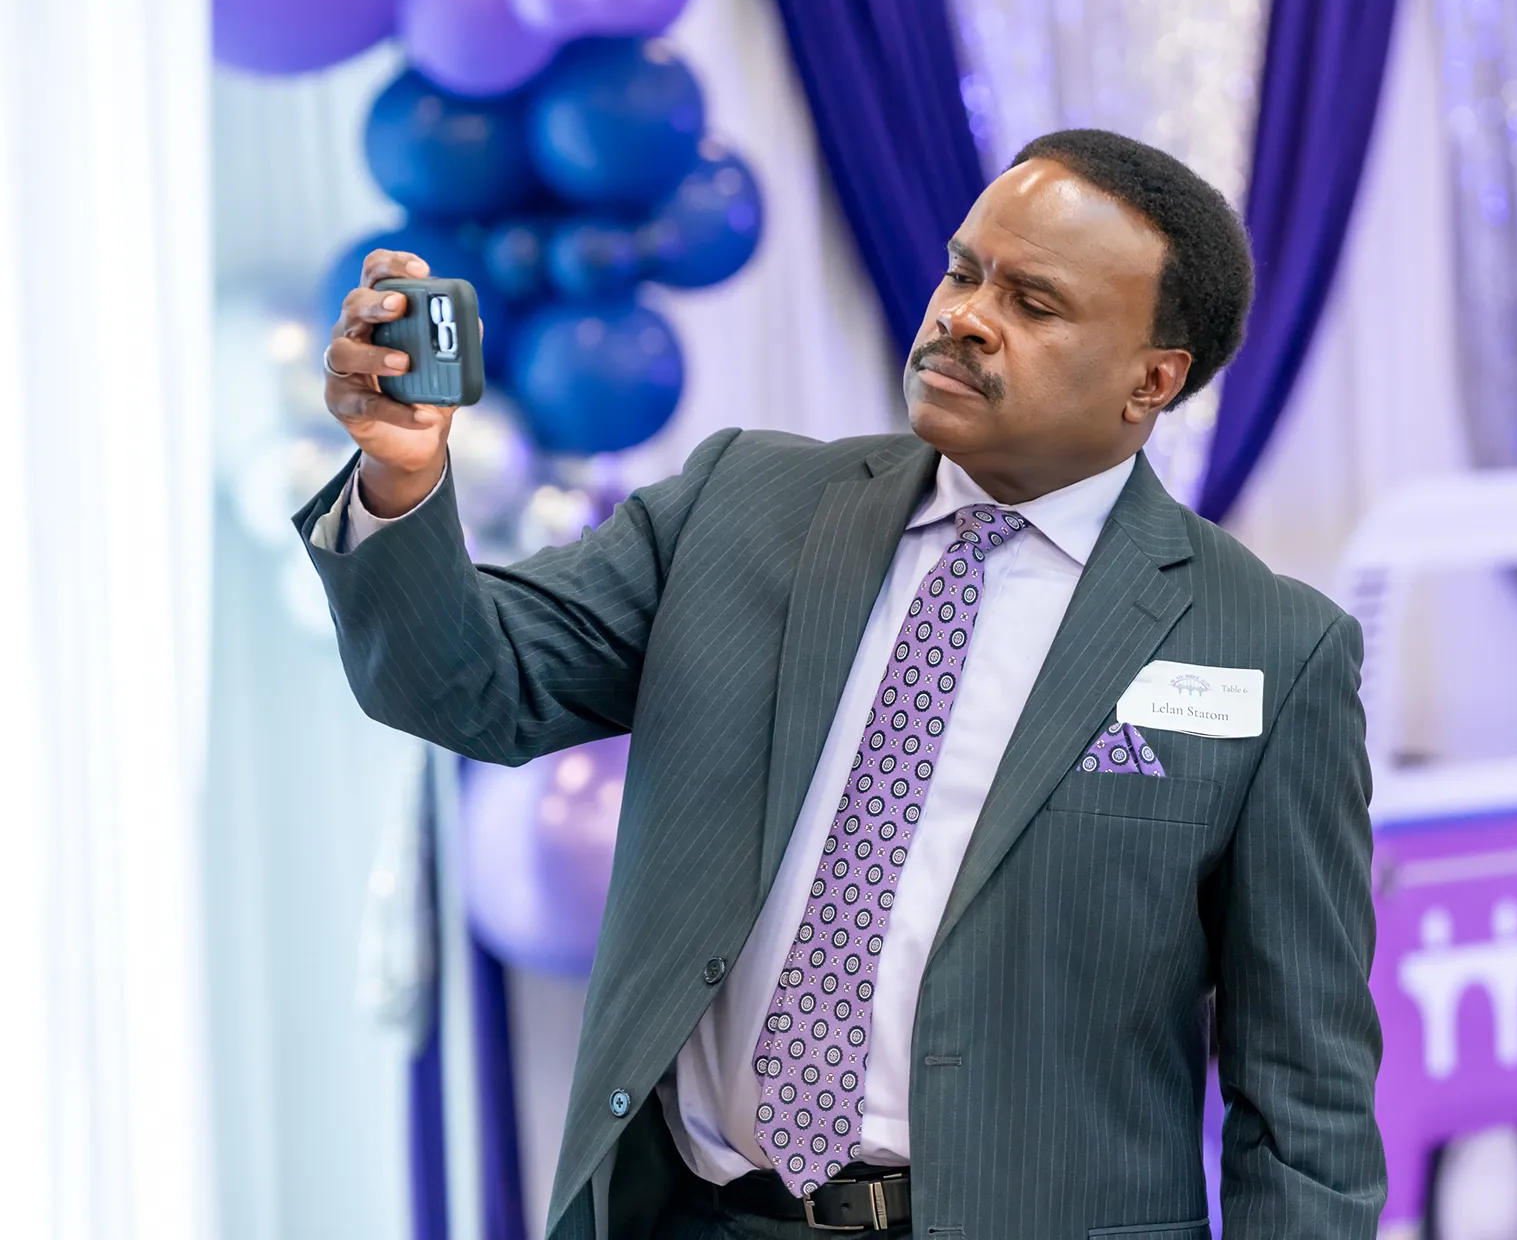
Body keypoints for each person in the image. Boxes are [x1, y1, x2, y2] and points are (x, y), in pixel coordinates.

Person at [298, 129, 1385, 1239]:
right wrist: (401, 473)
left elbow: (1306, 1100)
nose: (965, 316)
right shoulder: (741, 506)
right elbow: (470, 685)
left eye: (1033, 302)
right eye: (963, 271)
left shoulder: (1268, 646)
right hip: (701, 1217)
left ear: (1151, 381)